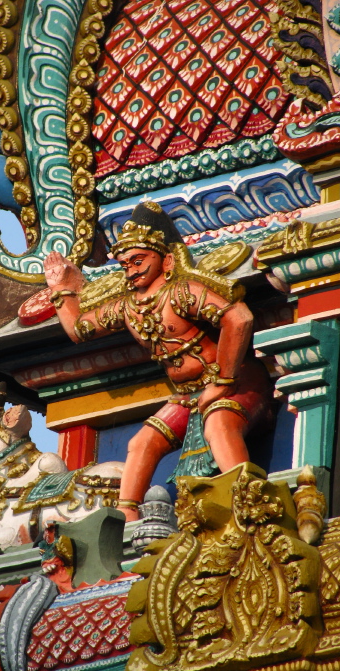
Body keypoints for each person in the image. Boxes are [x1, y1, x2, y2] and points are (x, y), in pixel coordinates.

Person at [44, 201, 271, 521]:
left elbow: (239, 318)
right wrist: (62, 289)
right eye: (125, 265)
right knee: (142, 442)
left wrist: (222, 382)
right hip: (187, 394)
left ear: (165, 260)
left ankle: (248, 500)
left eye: (138, 261)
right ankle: (126, 518)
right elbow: (80, 328)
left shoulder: (182, 291)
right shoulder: (127, 306)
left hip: (236, 381)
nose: (132, 271)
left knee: (219, 427)